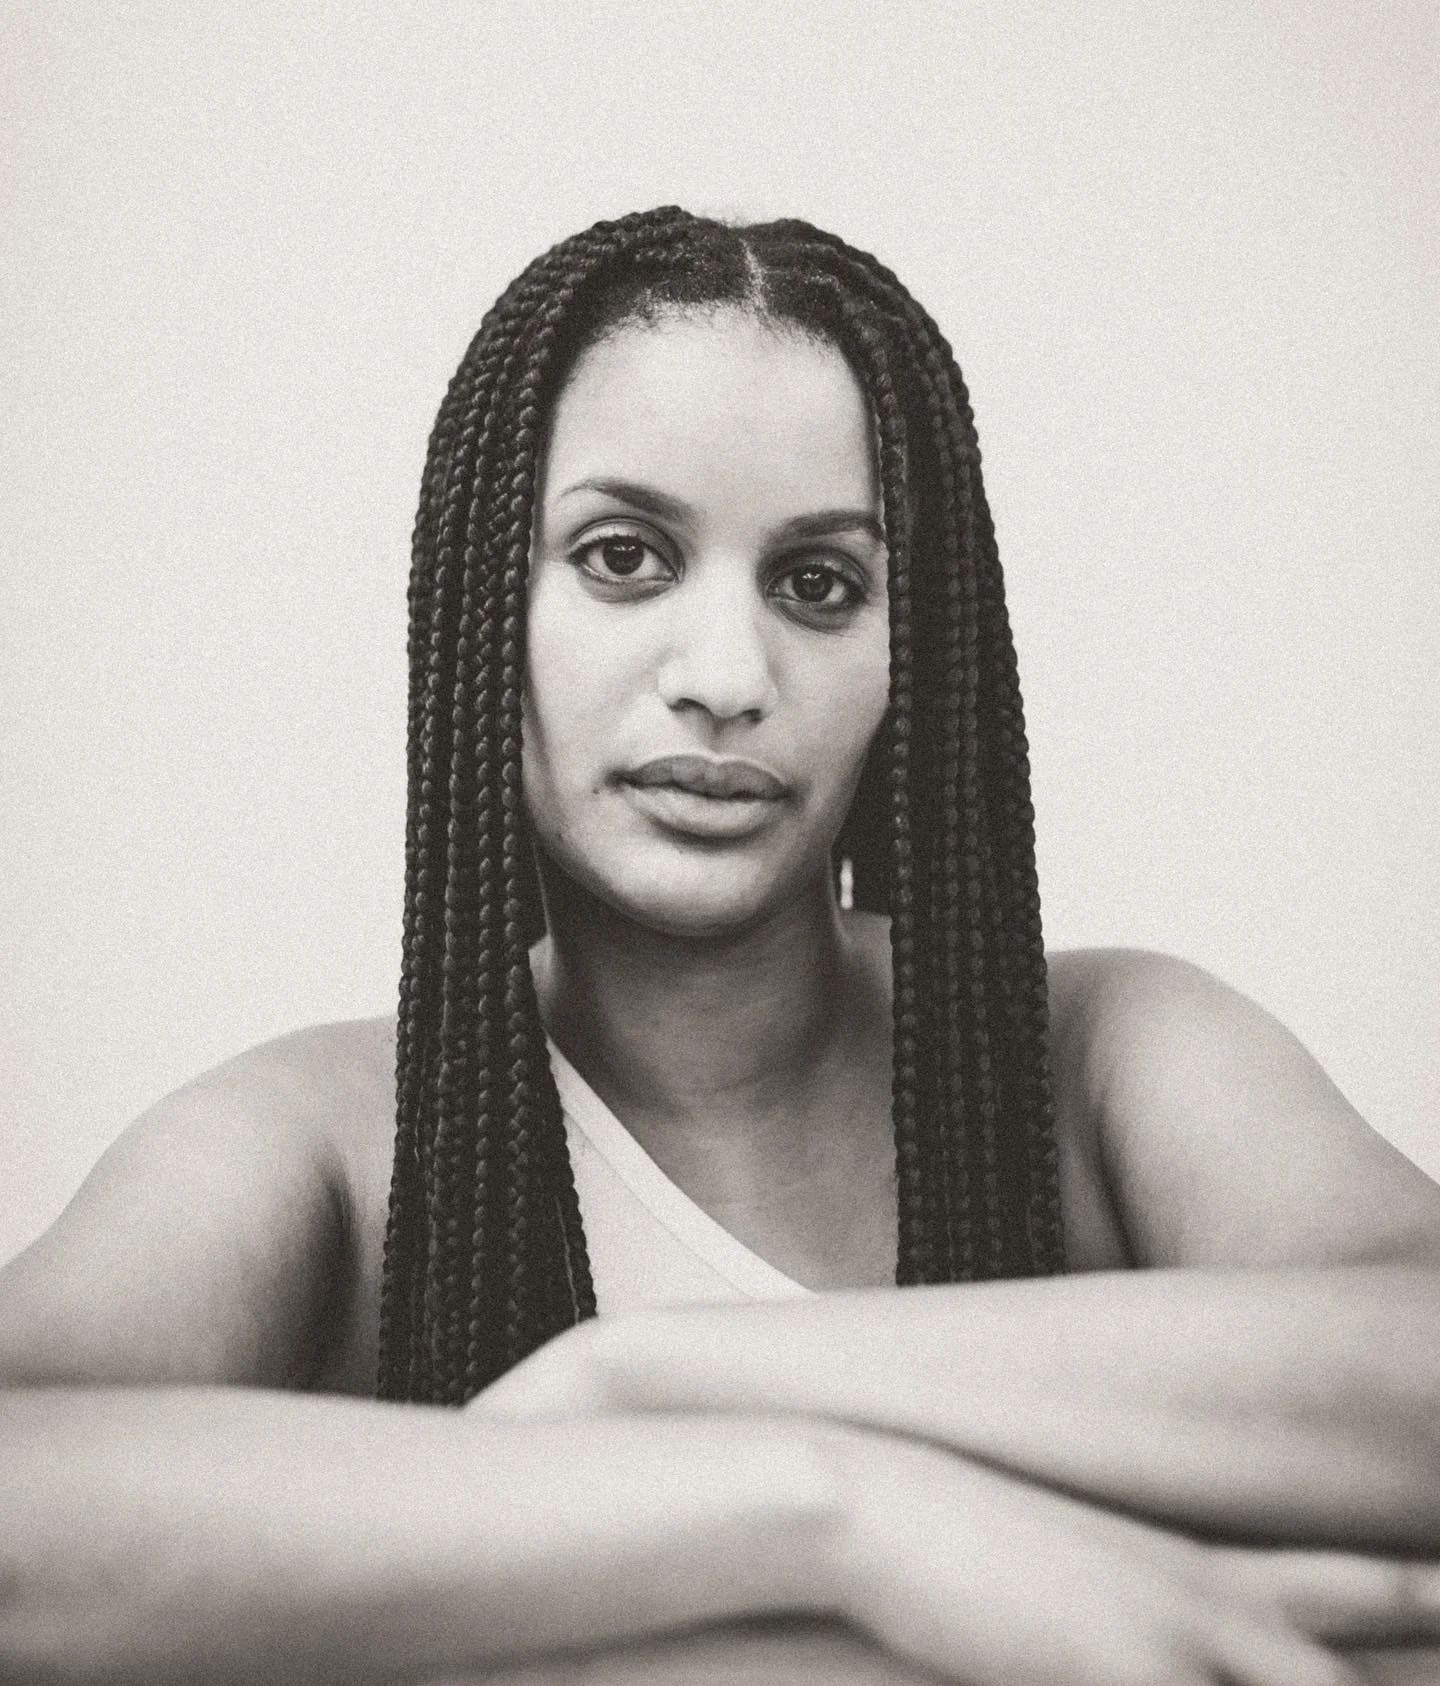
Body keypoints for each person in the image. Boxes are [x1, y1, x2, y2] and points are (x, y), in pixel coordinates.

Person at [3, 206, 1439, 1686]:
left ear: (916, 654)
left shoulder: (1105, 1061)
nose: (727, 677)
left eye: (820, 584)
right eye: (624, 556)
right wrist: (831, 1512)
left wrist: (641, 1377)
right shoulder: (331, 1152)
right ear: (483, 604)